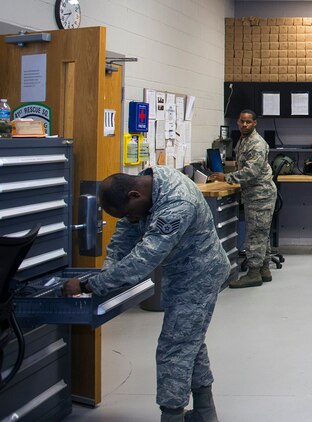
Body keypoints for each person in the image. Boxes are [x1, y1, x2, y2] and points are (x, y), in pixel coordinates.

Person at [62, 167, 228, 422]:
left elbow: (142, 261)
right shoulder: (145, 184)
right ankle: (206, 413)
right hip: (181, 271)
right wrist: (108, 273)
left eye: (129, 213)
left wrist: (89, 286)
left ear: (133, 196)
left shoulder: (177, 203)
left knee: (173, 348)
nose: (130, 218)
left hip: (199, 275)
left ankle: (172, 415)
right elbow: (123, 238)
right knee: (188, 341)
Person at [209, 109, 276, 288]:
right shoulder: (243, 140)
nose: (244, 124)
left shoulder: (256, 143)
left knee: (255, 233)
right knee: (261, 232)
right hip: (253, 192)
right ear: (238, 122)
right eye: (242, 121)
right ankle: (264, 270)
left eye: (248, 122)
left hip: (260, 193)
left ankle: (253, 273)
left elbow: (252, 172)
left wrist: (227, 178)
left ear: (255, 123)